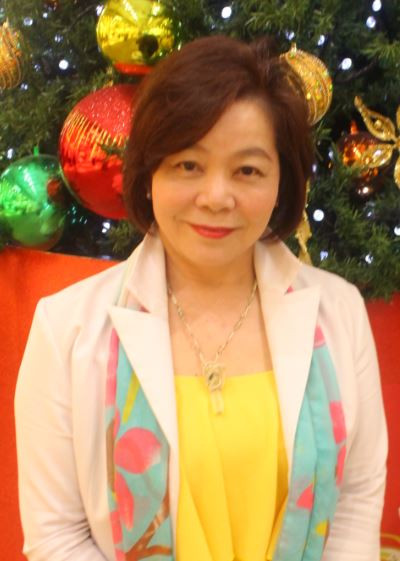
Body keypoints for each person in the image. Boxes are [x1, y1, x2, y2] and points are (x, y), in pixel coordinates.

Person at [15, 35, 387, 561]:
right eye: (188, 165)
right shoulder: (66, 327)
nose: (216, 197)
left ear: (282, 181)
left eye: (247, 170)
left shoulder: (339, 311)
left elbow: (353, 505)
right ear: (149, 174)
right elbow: (57, 536)